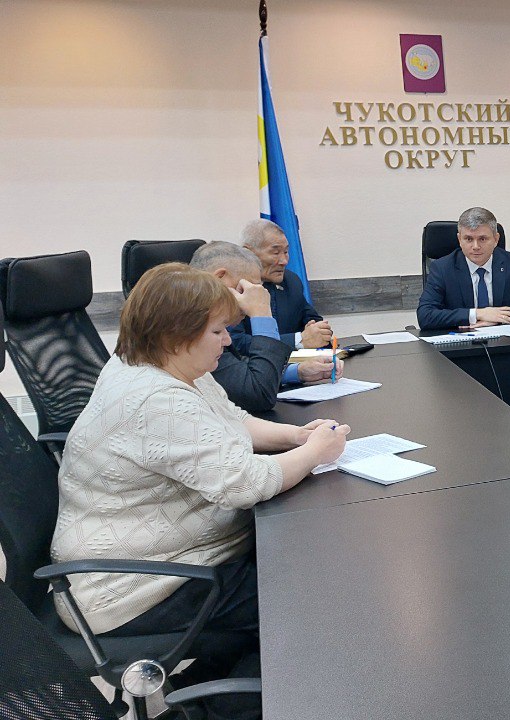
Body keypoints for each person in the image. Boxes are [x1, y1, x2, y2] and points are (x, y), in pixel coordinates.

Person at [50, 263, 350, 716]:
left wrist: (296, 437)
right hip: (132, 587)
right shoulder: (156, 399)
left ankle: (196, 698)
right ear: (176, 336)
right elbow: (245, 482)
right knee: (310, 602)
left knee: (299, 578)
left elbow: (231, 420)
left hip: (166, 560)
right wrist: (314, 454)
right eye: (217, 331)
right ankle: (209, 711)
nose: (228, 341)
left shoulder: (159, 364)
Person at [190, 242, 343, 414]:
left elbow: (238, 369)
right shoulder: (192, 329)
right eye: (251, 288)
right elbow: (258, 394)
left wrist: (297, 372)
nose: (258, 296)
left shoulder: (208, 323)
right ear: (220, 279)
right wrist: (262, 313)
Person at [416, 206, 510, 330]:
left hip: (504, 341)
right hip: (460, 341)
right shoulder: (442, 268)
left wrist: (498, 319)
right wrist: (478, 314)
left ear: (496, 239)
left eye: (482, 239)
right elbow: (425, 316)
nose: (475, 246)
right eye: (468, 239)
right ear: (459, 239)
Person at [230, 218, 332, 353]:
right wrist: (298, 340)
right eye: (276, 252)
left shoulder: (291, 281)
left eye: (286, 252)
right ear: (249, 252)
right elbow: (235, 343)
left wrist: (319, 332)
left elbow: (315, 322)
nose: (284, 261)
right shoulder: (232, 288)